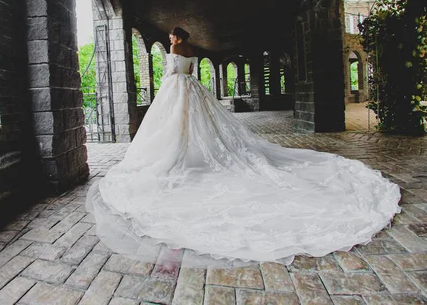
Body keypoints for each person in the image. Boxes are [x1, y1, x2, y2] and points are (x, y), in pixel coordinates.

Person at [86, 26, 400, 268]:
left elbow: (171, 72)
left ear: (175, 37)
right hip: (192, 89)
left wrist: (172, 71)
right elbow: (191, 73)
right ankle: (186, 152)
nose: (170, 37)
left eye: (171, 35)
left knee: (173, 126)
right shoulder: (192, 50)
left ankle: (179, 155)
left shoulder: (173, 49)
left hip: (174, 90)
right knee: (197, 125)